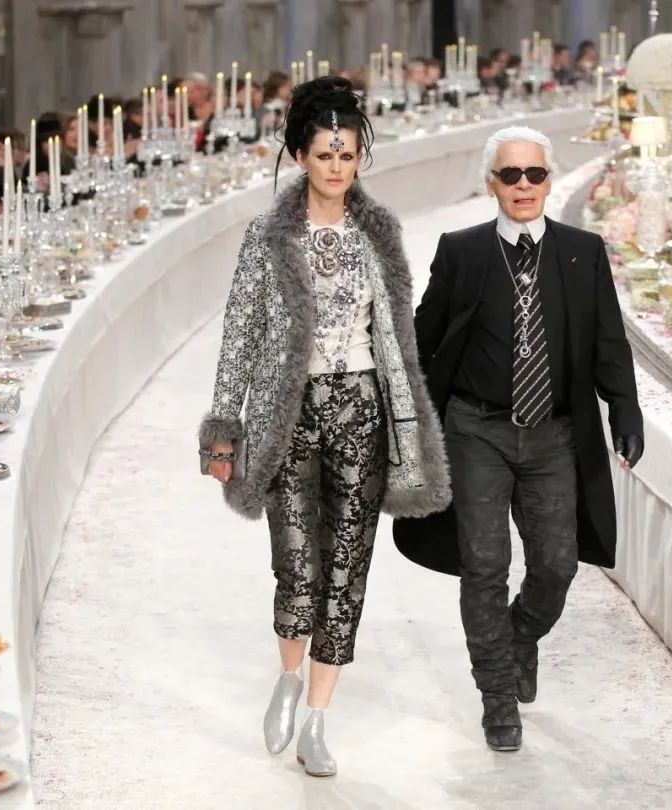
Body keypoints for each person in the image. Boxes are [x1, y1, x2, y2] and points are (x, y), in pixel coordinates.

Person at [199, 76, 451, 777]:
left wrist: (413, 419)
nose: (337, 167)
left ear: (360, 157)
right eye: (324, 155)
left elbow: (398, 337)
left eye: (347, 155)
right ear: (299, 156)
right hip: (289, 413)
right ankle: (287, 676)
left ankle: (318, 718)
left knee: (348, 566)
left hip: (362, 410)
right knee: (296, 563)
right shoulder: (267, 237)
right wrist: (223, 431)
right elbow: (240, 336)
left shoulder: (379, 234)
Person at [393, 126, 644, 753]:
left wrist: (625, 410)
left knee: (557, 565)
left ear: (549, 180)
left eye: (535, 173)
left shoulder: (583, 252)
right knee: (483, 565)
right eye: (511, 175)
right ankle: (498, 697)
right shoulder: (462, 251)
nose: (524, 185)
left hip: (554, 432)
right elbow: (424, 337)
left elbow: (608, 340)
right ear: (492, 184)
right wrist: (400, 411)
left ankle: (518, 637)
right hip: (476, 429)